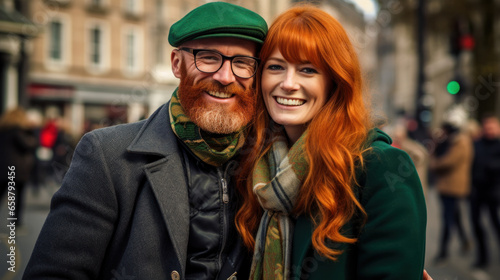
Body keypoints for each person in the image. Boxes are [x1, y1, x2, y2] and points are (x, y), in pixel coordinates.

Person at [23, 2, 267, 279]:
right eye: (208, 57)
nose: (225, 77)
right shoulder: (107, 155)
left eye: (242, 63)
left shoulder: (267, 159)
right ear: (177, 63)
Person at [235, 5, 427, 279]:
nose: (288, 83)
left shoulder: (380, 167)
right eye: (276, 67)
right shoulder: (254, 163)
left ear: (334, 82)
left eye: (307, 70)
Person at [430, 122, 473, 264]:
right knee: (455, 215)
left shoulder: (460, 142)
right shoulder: (451, 141)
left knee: (447, 218)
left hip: (452, 186)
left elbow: (449, 161)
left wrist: (434, 164)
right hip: (448, 185)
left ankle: (443, 251)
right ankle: (464, 240)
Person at [469, 114, 500, 268]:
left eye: (492, 127)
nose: (489, 130)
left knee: (496, 224)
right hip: (477, 191)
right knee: (476, 224)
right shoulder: (477, 144)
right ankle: (482, 258)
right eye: (487, 127)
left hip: (494, 192)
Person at [0, 107, 38, 226]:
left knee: (1, 193)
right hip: (17, 169)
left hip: (2, 168)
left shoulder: (3, 130)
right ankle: (16, 222)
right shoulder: (18, 131)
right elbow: (27, 145)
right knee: (18, 196)